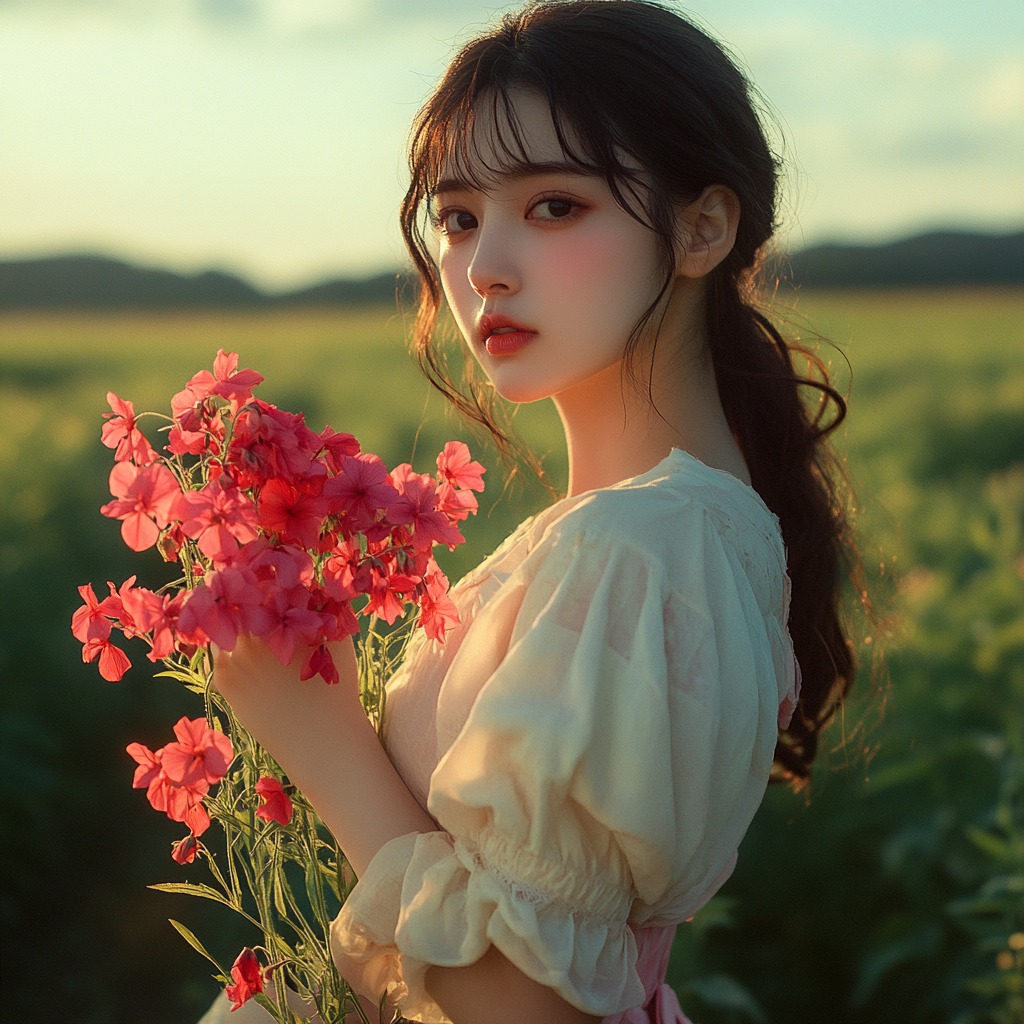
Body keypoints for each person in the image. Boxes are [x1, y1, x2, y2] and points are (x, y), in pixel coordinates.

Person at [201, 2, 857, 1021]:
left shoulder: (637, 548)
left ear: (701, 226)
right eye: (458, 217)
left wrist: (321, 742)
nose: (483, 266)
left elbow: (528, 1005)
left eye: (554, 205)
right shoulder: (651, 530)